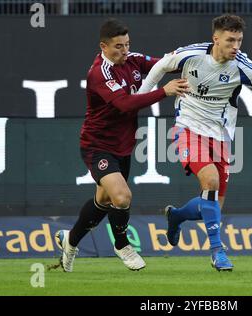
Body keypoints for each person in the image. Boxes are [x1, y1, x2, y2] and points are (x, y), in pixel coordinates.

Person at [138, 14, 252, 271]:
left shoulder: (242, 66)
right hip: (187, 129)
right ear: (216, 39)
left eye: (239, 40)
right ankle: (218, 252)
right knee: (210, 182)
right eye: (230, 40)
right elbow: (160, 67)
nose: (236, 46)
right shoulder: (190, 55)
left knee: (211, 206)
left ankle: (177, 216)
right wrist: (139, 98)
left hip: (220, 138)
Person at [53, 18, 188, 272]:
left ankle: (69, 242)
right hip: (97, 145)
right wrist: (164, 92)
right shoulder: (99, 73)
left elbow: (163, 65)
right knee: (122, 196)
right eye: (118, 46)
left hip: (123, 146)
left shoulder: (132, 59)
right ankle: (122, 244)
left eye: (127, 44)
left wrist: (190, 58)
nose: (124, 51)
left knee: (103, 201)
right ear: (103, 46)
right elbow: (124, 104)